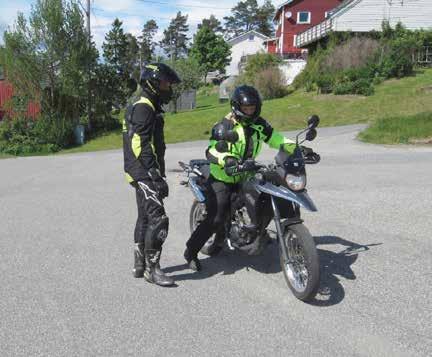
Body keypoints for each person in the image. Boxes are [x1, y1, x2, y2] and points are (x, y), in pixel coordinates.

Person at [183, 85, 314, 271]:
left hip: (247, 172)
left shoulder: (259, 124)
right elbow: (211, 150)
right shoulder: (224, 126)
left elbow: (277, 139)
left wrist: (298, 148)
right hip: (224, 176)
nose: (250, 111)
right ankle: (191, 252)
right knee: (217, 215)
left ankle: (257, 229)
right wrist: (227, 159)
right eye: (246, 108)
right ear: (237, 107)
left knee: (270, 192)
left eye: (253, 108)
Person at [123, 63, 180, 286]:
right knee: (159, 219)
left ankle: (139, 264)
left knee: (145, 217)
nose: (169, 88)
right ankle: (152, 270)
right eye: (166, 83)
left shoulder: (144, 104)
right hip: (144, 172)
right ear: (153, 83)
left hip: (139, 170)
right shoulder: (144, 107)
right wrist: (155, 176)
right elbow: (139, 143)